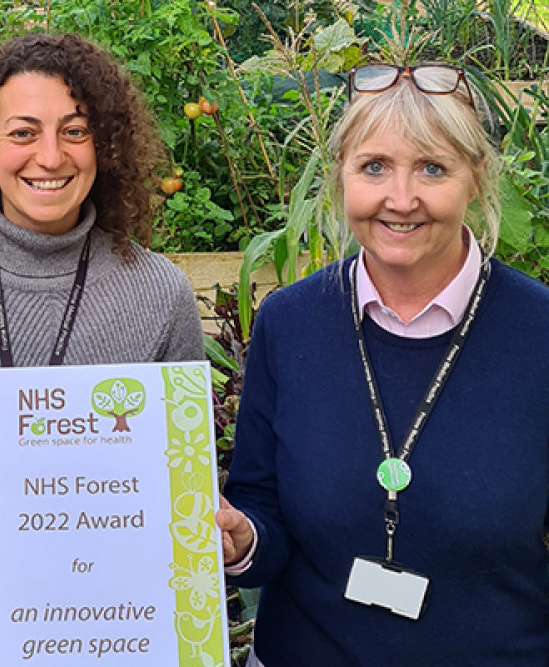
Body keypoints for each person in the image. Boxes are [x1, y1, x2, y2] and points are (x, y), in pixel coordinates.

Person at [0, 32, 206, 665]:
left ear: (104, 143)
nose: (50, 156)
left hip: (122, 635)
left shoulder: (161, 293)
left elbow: (182, 496)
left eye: (74, 131)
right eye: (23, 132)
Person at [216, 63, 549, 665]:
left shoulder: (539, 332)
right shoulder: (289, 322)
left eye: (432, 168)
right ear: (340, 176)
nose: (401, 199)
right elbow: (263, 514)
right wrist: (243, 541)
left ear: (475, 179)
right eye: (374, 167)